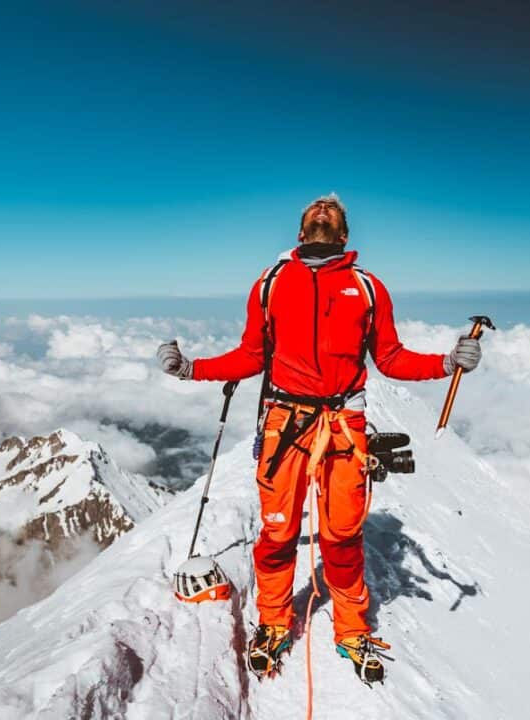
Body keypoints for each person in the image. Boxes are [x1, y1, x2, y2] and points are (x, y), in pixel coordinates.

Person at [157, 194, 480, 683]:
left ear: (344, 234)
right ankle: (272, 620)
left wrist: (446, 363)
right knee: (278, 533)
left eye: (332, 210)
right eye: (315, 209)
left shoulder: (367, 288)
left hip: (344, 427)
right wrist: (191, 369)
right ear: (302, 230)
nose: (323, 208)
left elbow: (390, 357)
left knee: (342, 536)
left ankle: (351, 627)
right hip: (284, 424)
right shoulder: (270, 284)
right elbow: (251, 355)